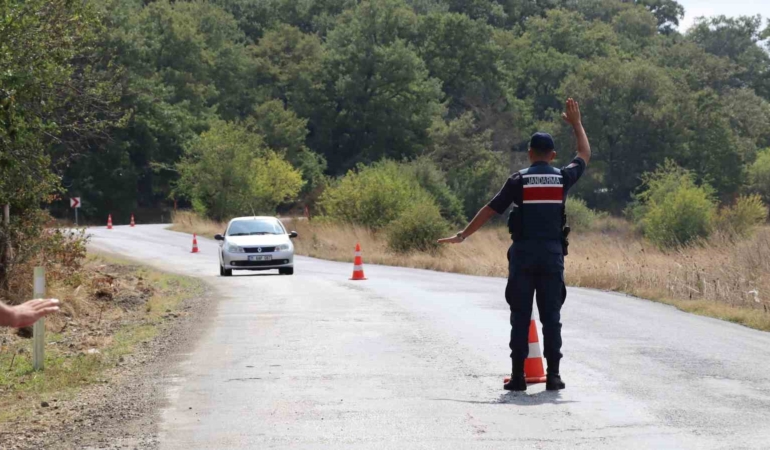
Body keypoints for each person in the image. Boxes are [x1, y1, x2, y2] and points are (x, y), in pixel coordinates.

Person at [438, 98, 591, 392]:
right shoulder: (563, 178)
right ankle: (554, 376)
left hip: (522, 256)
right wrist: (577, 124)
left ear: (530, 153)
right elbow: (584, 153)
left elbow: (490, 209)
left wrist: (463, 235)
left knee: (520, 317)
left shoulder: (518, 180)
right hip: (552, 256)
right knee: (552, 318)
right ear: (553, 155)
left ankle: (518, 377)